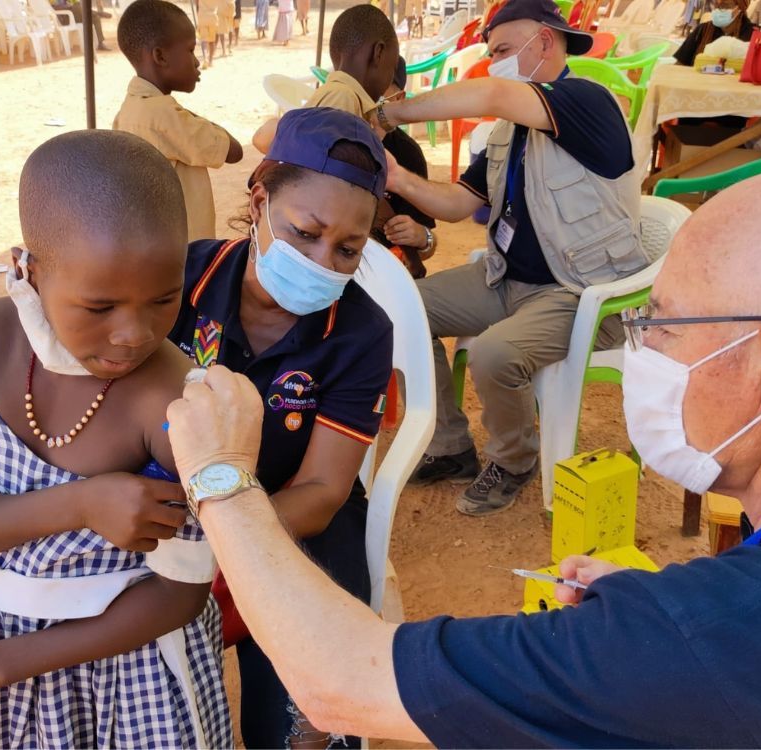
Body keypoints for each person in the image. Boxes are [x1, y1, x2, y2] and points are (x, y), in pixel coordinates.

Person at [164, 163, 761, 747]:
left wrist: (222, 481)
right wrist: (665, 614)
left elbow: (342, 680)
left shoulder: (720, 633)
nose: (645, 350)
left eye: (661, 322)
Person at [0, 131, 231, 748]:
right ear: (29, 268)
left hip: (141, 676)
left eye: (164, 299)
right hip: (22, 664)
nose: (134, 334)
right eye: (99, 307)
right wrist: (82, 504)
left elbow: (177, 598)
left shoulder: (178, 402)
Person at [170, 107, 393, 748]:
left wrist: (219, 533)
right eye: (305, 233)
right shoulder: (183, 280)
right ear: (260, 198)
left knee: (309, 712)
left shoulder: (359, 332)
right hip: (176, 510)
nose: (324, 262)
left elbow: (323, 492)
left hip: (297, 520)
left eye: (348, 249)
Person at [375, 0, 646, 515]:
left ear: (544, 41)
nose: (494, 60)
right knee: (399, 309)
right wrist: (395, 175)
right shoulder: (508, 133)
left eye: (502, 49)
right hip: (505, 280)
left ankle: (516, 459)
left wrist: (388, 112)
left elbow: (494, 92)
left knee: (493, 353)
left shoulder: (586, 100)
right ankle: (449, 445)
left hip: (578, 291)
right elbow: (459, 204)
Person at [114, 0, 243, 242]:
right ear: (160, 56)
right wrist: (191, 115)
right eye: (191, 50)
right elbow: (233, 151)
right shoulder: (167, 116)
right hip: (186, 252)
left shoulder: (128, 110)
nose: (196, 61)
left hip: (152, 243)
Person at [251, 5, 399, 150]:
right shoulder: (343, 97)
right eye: (392, 67)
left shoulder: (345, 96)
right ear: (378, 53)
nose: (391, 76)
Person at [376, 57, 438, 279]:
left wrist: (421, 237)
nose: (369, 108)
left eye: (379, 97)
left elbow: (427, 246)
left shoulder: (407, 154)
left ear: (399, 99)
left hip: (382, 271)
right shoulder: (329, 136)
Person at [673, 0, 757, 66]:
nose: (719, 10)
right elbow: (679, 64)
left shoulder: (754, 34)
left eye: (725, 6)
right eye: (717, 6)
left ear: (740, 8)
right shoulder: (702, 30)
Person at [195, 0, 221, 66]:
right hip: (213, 17)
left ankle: (205, 58)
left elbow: (196, 3)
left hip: (202, 16)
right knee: (212, 41)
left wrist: (198, 13)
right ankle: (210, 61)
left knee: (203, 40)